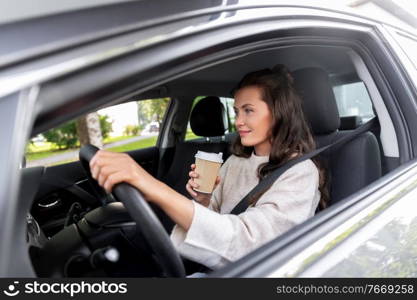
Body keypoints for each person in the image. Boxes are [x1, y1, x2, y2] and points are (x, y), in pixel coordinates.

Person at [89, 64, 328, 274]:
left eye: (248, 110)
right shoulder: (236, 161)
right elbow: (214, 221)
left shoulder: (300, 172)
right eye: (236, 111)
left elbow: (251, 243)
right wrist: (204, 199)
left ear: (279, 114)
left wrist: (152, 187)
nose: (238, 121)